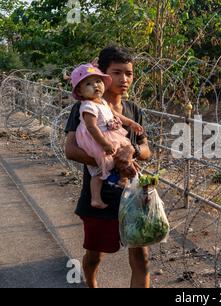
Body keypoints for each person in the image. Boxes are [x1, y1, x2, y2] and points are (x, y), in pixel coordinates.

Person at [65, 46, 152, 288]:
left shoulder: (134, 110)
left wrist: (132, 152)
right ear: (102, 74)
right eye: (116, 72)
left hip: (133, 194)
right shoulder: (85, 108)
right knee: (95, 254)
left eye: (129, 73)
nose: (124, 79)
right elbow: (70, 149)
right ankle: (92, 284)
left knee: (141, 257)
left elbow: (147, 150)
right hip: (100, 195)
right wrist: (112, 162)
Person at [71, 63, 144, 209]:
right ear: (80, 90)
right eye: (89, 84)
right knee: (99, 170)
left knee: (126, 150)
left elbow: (116, 115)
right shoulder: (86, 106)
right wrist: (104, 143)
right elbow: (91, 127)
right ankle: (96, 199)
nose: (96, 86)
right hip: (97, 139)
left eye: (98, 81)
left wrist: (130, 123)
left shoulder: (104, 102)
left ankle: (123, 179)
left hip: (112, 135)